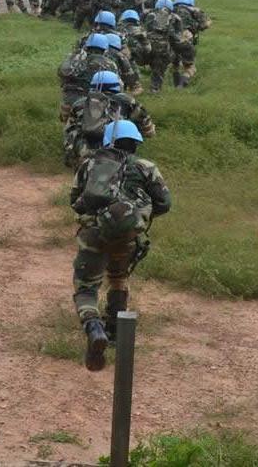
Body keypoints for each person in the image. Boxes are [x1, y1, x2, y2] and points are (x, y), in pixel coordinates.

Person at [71, 119, 171, 371]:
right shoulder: (146, 167)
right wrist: (133, 217)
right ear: (135, 142)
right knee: (118, 277)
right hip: (127, 235)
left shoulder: (89, 164)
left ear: (107, 141)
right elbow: (164, 203)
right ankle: (115, 330)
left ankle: (94, 328)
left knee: (86, 287)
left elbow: (75, 201)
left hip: (93, 234)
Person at [63, 71, 154, 167]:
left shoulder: (79, 103)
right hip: (117, 157)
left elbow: (69, 130)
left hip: (82, 157)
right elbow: (149, 131)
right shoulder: (128, 101)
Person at [57, 33, 119, 121]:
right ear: (105, 50)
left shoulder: (76, 59)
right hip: (94, 102)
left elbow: (62, 74)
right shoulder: (110, 64)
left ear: (86, 47)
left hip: (70, 99)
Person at [142, 0, 184, 92]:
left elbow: (144, 29)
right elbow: (178, 37)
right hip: (164, 49)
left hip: (146, 47)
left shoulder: (150, 15)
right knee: (159, 68)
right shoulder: (176, 18)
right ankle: (156, 89)